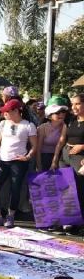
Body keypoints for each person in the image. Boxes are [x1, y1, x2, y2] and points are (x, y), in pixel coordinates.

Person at [0, 99, 37, 228]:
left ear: (15, 111)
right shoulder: (2, 124)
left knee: (15, 189)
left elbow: (35, 145)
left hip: (18, 162)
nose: (4, 114)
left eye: (7, 111)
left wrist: (27, 157)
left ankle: (11, 215)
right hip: (2, 160)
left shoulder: (28, 125)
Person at [54, 94, 84, 234]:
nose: (74, 107)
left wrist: (82, 146)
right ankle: (67, 220)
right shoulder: (71, 119)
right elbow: (61, 139)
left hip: (80, 157)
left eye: (77, 104)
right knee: (65, 189)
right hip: (65, 155)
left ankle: (78, 223)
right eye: (73, 104)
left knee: (78, 190)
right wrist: (55, 158)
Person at [36, 104, 68, 172]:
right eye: (57, 113)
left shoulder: (67, 126)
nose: (61, 114)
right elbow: (38, 149)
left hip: (62, 157)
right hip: (45, 157)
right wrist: (39, 167)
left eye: (63, 111)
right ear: (50, 116)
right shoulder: (43, 128)